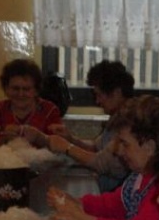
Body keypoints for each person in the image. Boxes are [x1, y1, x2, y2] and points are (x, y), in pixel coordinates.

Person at [47, 95, 159, 220]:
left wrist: (78, 216)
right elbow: (113, 204)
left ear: (149, 147)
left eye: (125, 144)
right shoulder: (139, 176)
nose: (118, 151)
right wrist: (76, 202)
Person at [47, 59, 134, 193]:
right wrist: (70, 138)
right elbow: (96, 146)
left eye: (99, 95)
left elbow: (100, 163)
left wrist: (66, 147)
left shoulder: (130, 120)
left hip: (119, 194)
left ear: (116, 93)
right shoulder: (116, 116)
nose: (97, 101)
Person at [0, 58, 62, 146]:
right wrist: (4, 138)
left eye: (26, 89)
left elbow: (60, 147)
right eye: (15, 88)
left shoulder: (49, 110)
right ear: (6, 89)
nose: (20, 94)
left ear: (36, 90)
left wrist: (39, 138)